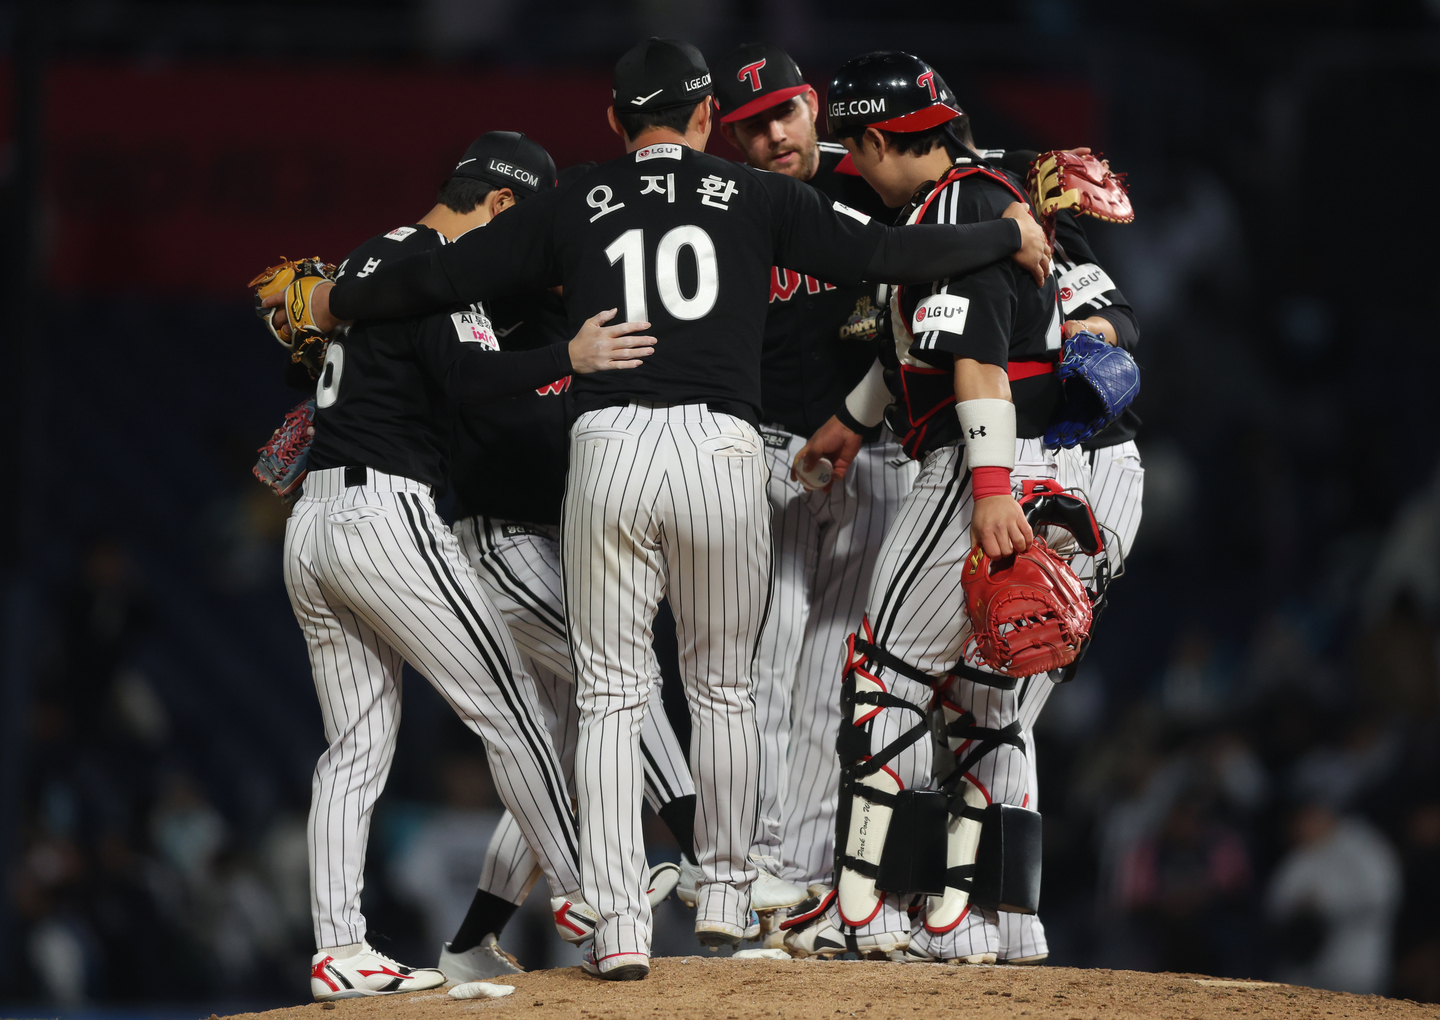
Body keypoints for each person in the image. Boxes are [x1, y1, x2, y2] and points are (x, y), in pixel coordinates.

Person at [303, 36, 1051, 981]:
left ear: (616, 123)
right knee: (724, 687)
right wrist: (1004, 233)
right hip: (723, 453)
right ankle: (732, 894)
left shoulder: (576, 192)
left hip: (609, 449)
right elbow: (889, 251)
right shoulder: (764, 195)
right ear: (705, 121)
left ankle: (618, 925)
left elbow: (441, 275)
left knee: (611, 694)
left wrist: (339, 295)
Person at [273, 132, 655, 999]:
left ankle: (339, 947)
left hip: (315, 522)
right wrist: (570, 354)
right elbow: (473, 377)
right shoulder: (442, 266)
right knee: (513, 706)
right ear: (502, 205)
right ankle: (584, 894)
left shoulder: (373, 263)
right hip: (385, 518)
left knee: (356, 748)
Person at [778, 51, 1073, 964]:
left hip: (972, 462)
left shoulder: (953, 210)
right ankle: (996, 923)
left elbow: (975, 363)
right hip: (1005, 452)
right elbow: (917, 353)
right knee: (983, 702)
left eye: (857, 149)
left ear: (878, 138)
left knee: (883, 675)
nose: (852, 166)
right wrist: (850, 424)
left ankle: (864, 909)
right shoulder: (978, 202)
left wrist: (988, 497)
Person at [706, 42, 916, 927]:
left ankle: (826, 877)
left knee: (844, 673)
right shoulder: (726, 211)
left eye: (784, 113)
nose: (771, 137)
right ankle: (766, 870)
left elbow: (979, 183)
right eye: (750, 128)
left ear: (814, 108)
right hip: (773, 457)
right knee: (765, 663)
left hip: (879, 455)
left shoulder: (871, 181)